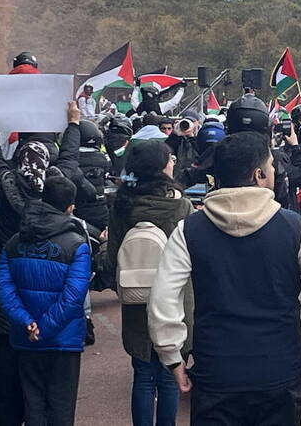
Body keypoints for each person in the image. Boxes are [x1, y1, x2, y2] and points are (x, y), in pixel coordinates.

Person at [148, 132, 301, 425]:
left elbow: (163, 298)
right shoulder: (297, 229)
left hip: (216, 369)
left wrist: (171, 355)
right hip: (278, 370)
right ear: (259, 174)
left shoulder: (189, 230)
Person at [0, 98, 78, 426]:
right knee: (47, 379)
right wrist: (73, 123)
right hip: (48, 295)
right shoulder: (59, 187)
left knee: (4, 376)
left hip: (5, 295)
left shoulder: (5, 183)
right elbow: (71, 160)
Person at [108, 139, 193, 426]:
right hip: (176, 298)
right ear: (160, 167)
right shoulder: (181, 206)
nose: (173, 163)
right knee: (171, 371)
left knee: (143, 373)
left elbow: (112, 259)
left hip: (136, 295)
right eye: (169, 159)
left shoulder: (122, 205)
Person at [0, 174, 91, 426]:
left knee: (33, 402)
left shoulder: (15, 241)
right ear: (70, 208)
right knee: (61, 404)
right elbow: (74, 296)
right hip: (63, 338)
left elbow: (3, 287)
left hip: (24, 335)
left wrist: (26, 322)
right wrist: (46, 327)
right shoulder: (76, 244)